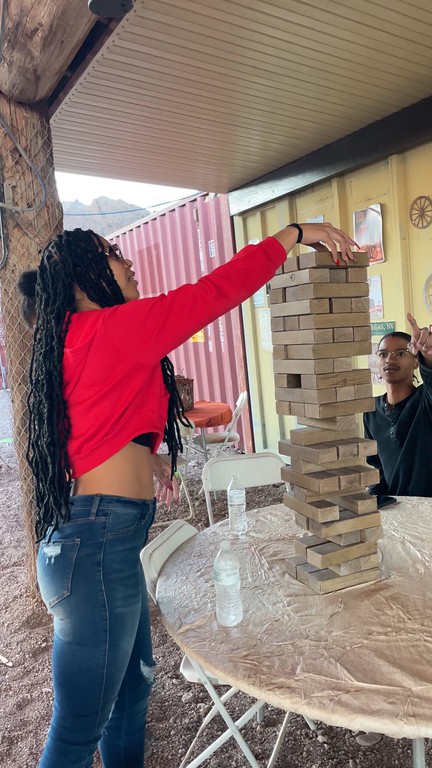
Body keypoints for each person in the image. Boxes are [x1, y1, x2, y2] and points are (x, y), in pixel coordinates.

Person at [18, 222, 355, 768]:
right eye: (113, 254)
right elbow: (213, 292)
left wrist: (145, 455)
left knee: (130, 698)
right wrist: (292, 234)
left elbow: (87, 426)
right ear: (82, 278)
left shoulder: (76, 338)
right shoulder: (110, 327)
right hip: (95, 548)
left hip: (98, 542)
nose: (129, 262)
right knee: (79, 731)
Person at [364, 314, 432, 497]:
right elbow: (377, 466)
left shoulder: (425, 400)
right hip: (397, 509)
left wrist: (428, 355)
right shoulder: (371, 411)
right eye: (383, 354)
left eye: (400, 353)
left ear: (416, 361)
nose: (390, 359)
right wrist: (376, 499)